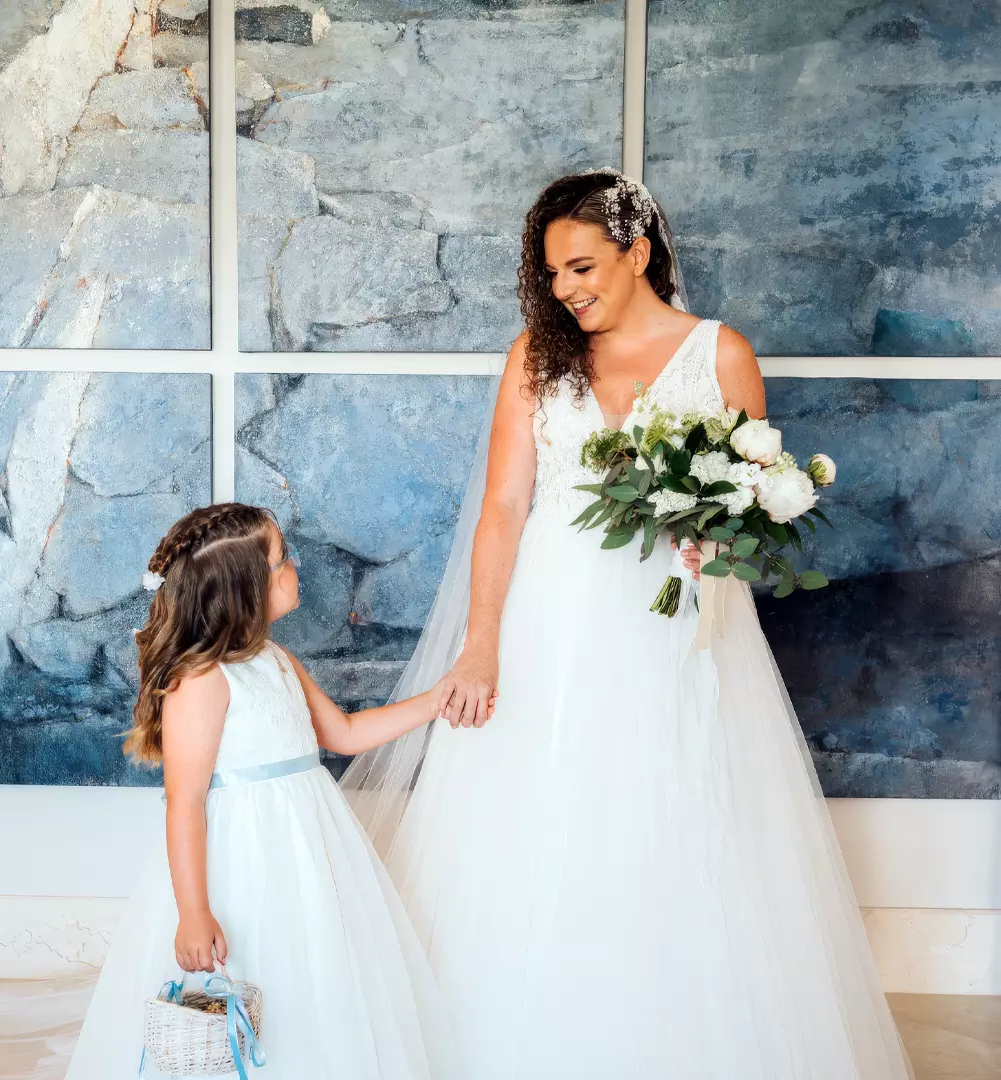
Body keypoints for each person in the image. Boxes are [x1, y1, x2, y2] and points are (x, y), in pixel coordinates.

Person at [343, 171, 913, 1079]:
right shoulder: (535, 356)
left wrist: (711, 549)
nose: (566, 289)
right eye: (553, 274)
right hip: (551, 624)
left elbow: (751, 508)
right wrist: (481, 641)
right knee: (539, 819)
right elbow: (502, 506)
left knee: (675, 811)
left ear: (637, 251)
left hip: (674, 629)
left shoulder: (721, 355)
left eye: (581, 266)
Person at [66, 503, 466, 1079]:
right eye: (283, 559)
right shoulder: (202, 681)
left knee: (316, 975)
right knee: (257, 973)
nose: (295, 567)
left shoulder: (276, 659)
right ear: (245, 589)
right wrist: (194, 911)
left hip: (307, 854)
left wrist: (434, 703)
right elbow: (185, 802)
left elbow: (345, 734)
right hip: (244, 859)